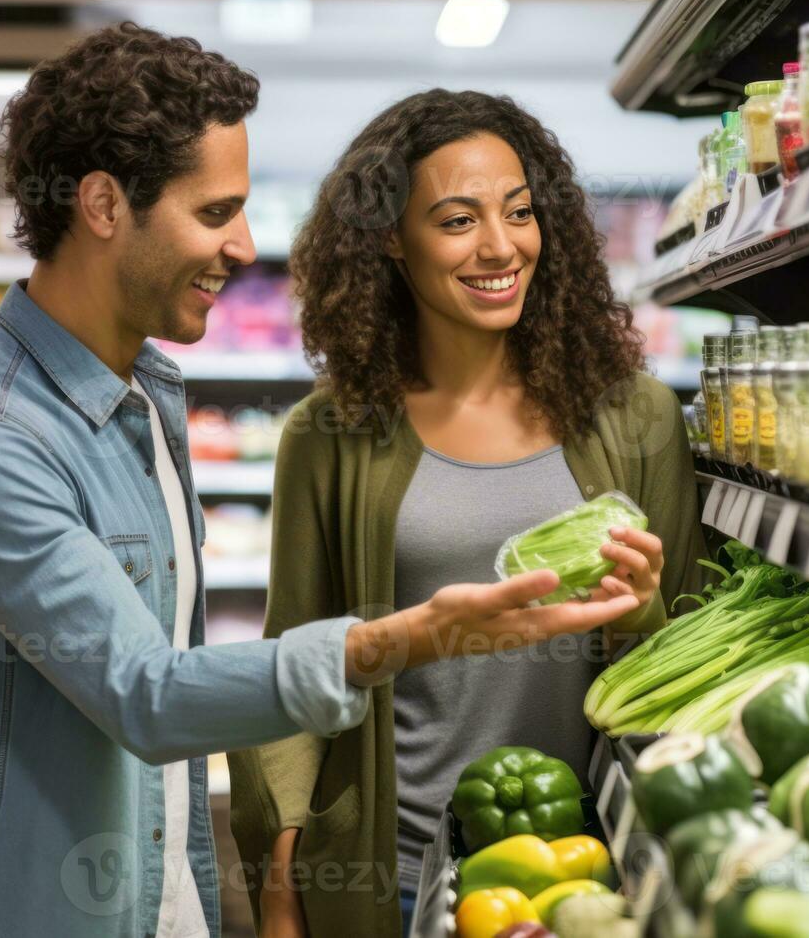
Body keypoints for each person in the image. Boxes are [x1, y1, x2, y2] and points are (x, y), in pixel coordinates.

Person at [0, 27, 644, 938]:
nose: (244, 245)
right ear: (101, 205)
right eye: (215, 213)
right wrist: (407, 638)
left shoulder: (150, 397)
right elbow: (149, 693)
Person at [230, 90, 708, 937]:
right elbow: (290, 662)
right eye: (457, 221)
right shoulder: (331, 433)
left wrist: (643, 615)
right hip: (393, 873)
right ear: (389, 239)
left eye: (520, 213)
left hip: (587, 869)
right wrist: (279, 883)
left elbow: (689, 658)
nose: (500, 246)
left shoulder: (634, 418)